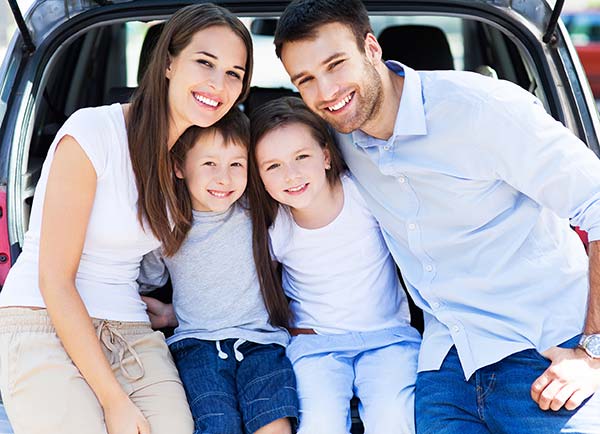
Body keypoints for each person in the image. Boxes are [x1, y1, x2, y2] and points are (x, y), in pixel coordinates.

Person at [273, 1, 600, 433]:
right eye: (306, 80)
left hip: (546, 351)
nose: (327, 91)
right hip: (446, 363)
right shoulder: (331, 139)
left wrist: (593, 354)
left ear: (371, 48)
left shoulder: (483, 110)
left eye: (336, 65)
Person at [0, 4, 253, 434]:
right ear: (169, 62)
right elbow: (55, 281)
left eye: (234, 72)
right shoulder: (93, 133)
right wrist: (114, 402)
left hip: (131, 329)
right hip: (43, 319)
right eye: (205, 63)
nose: (219, 83)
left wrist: (178, 312)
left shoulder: (194, 162)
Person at [247, 96, 421, 434]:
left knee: (393, 418)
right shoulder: (275, 227)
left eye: (302, 157)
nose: (292, 175)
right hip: (316, 346)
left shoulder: (363, 197)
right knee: (319, 424)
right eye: (273, 166)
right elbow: (242, 287)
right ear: (260, 176)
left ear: (326, 156)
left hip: (388, 338)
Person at [138, 109, 299, 434]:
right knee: (217, 426)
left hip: (262, 345)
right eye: (210, 163)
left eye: (236, 164)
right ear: (179, 166)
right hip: (197, 348)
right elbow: (146, 280)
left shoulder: (259, 213)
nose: (224, 177)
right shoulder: (167, 226)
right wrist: (169, 314)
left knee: (275, 427)